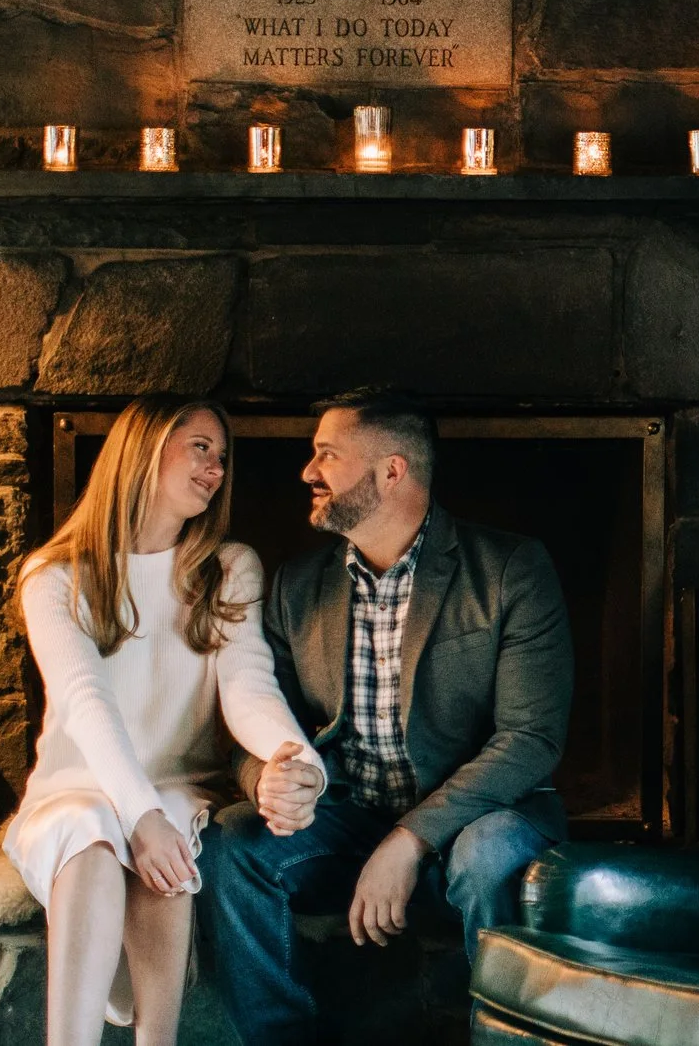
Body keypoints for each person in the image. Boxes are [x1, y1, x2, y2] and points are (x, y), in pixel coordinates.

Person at [199, 386, 572, 1046]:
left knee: (490, 854)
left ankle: (500, 1036)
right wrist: (267, 778)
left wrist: (409, 840)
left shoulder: (511, 568)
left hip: (473, 821)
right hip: (345, 817)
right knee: (233, 839)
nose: (308, 472)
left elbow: (531, 738)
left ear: (392, 470)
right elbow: (256, 721)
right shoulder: (297, 584)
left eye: (327, 455)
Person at [0, 396, 324, 1046]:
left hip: (179, 785)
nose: (215, 468)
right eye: (200, 446)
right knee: (90, 838)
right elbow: (86, 697)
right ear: (142, 448)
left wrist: (297, 758)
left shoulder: (229, 568)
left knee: (170, 841)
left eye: (222, 456)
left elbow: (248, 683)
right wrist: (136, 813)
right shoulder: (54, 576)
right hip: (76, 785)